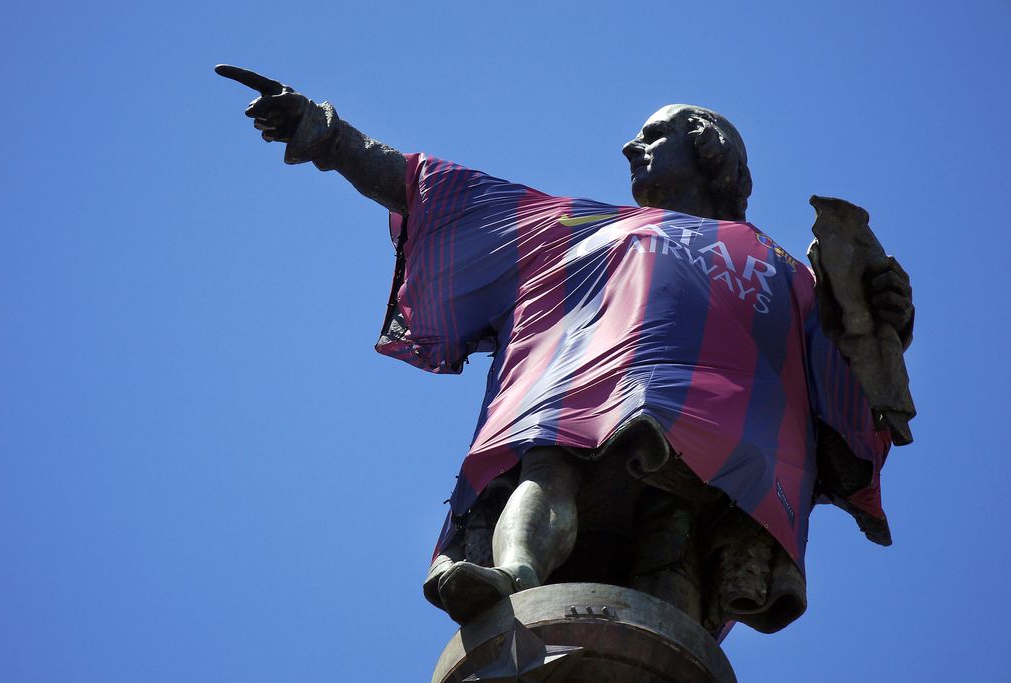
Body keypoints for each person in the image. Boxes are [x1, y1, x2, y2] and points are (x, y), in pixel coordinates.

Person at [216, 65, 914, 635]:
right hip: (583, 392)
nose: (629, 148)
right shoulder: (580, 224)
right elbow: (433, 190)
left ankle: (665, 643)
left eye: (653, 134)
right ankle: (511, 577)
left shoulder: (783, 268)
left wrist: (884, 317)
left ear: (706, 146)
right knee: (548, 469)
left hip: (716, 436)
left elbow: (848, 387)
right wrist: (326, 134)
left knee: (672, 533)